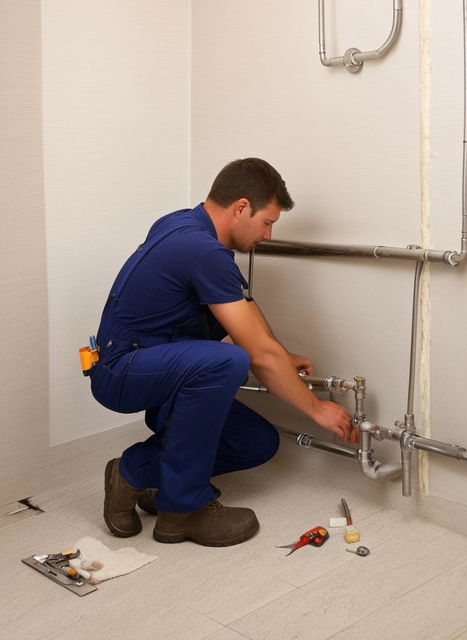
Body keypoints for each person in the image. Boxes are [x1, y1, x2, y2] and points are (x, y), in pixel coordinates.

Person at [90, 158, 356, 547]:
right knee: (230, 359)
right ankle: (182, 511)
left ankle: (131, 472)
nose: (267, 235)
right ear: (241, 207)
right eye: (267, 222)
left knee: (255, 442)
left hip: (158, 367)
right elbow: (255, 352)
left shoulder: (185, 225)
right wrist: (316, 408)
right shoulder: (201, 250)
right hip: (124, 370)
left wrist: (281, 353)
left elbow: (246, 311)